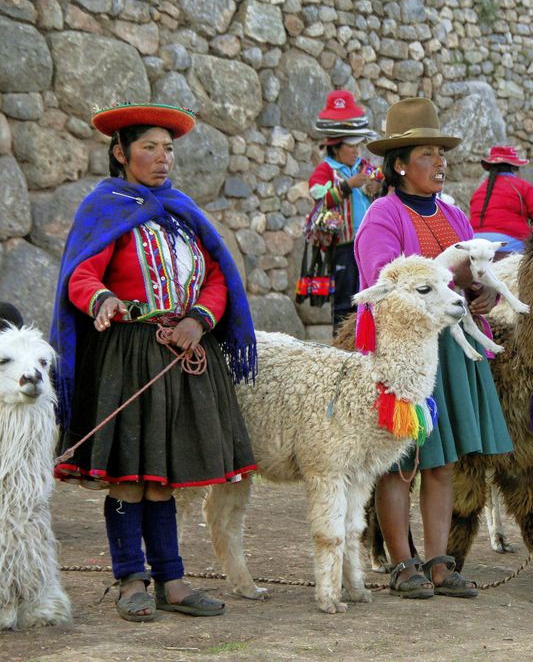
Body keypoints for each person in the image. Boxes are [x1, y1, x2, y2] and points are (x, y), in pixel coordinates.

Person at [50, 103, 257, 621]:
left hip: (183, 350)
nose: (162, 158)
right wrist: (103, 301)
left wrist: (198, 321)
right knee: (131, 473)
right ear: (120, 152)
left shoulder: (183, 213)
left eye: (168, 148)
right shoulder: (105, 207)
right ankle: (130, 578)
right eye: (149, 147)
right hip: (128, 354)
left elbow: (216, 277)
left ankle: (173, 578)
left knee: (163, 473)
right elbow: (81, 275)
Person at [356, 98, 514, 599]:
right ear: (400, 164)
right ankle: (404, 564)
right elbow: (387, 281)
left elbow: (473, 282)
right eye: (427, 154)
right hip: (407, 353)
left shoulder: (453, 214)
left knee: (443, 461)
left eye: (441, 154)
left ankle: (441, 563)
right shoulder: (383, 215)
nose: (440, 163)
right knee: (401, 458)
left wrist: (482, 292)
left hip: (452, 351)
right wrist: (448, 276)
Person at [301, 90, 381, 330]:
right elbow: (319, 197)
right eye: (350, 146)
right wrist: (348, 185)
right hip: (343, 245)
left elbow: (377, 185)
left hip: (367, 242)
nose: (356, 151)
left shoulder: (364, 167)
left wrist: (374, 186)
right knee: (345, 297)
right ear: (336, 147)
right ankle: (341, 343)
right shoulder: (326, 170)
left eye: (358, 146)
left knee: (368, 293)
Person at [469, 145, 533, 254]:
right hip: (509, 245)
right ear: (514, 167)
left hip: (474, 244)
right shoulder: (522, 187)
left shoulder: (479, 191)